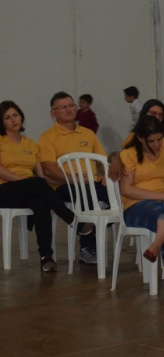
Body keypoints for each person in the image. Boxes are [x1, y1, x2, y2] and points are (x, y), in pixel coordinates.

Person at [0, 100, 75, 272]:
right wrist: (25, 182)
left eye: (16, 115)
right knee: (36, 185)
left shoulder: (31, 144)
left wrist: (69, 180)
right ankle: (70, 218)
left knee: (41, 202)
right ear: (1, 121)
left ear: (21, 116)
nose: (13, 120)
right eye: (7, 117)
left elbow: (42, 178)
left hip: (29, 190)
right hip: (4, 190)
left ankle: (46, 256)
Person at [118, 116, 164, 299]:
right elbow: (126, 189)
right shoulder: (130, 154)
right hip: (137, 205)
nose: (157, 145)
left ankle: (156, 245)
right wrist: (160, 196)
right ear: (141, 138)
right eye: (151, 141)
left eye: (159, 139)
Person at [38, 91, 108, 266]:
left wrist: (105, 175)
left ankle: (87, 228)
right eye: (62, 107)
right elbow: (48, 168)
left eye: (71, 105)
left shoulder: (88, 134)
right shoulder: (48, 137)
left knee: (119, 197)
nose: (68, 110)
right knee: (90, 197)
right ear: (53, 113)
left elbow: (102, 160)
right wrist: (73, 178)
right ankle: (87, 247)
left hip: (92, 183)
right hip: (65, 186)